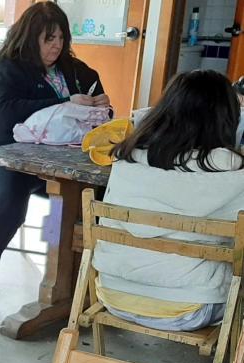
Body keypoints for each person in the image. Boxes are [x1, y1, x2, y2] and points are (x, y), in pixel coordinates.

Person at [92, 70, 244, 331]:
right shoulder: (232, 170)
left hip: (113, 293)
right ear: (227, 119)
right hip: (190, 307)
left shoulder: (127, 157)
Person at [0, 1, 109, 286]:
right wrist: (63, 101)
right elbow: (1, 112)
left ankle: (69, 281)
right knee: (11, 204)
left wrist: (99, 103)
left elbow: (95, 90)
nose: (56, 46)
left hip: (60, 165)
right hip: (5, 163)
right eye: (49, 39)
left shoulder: (73, 69)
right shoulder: (9, 68)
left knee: (87, 197)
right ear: (31, 38)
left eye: (61, 38)